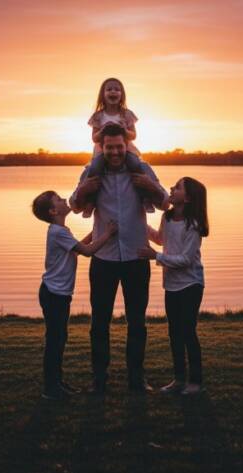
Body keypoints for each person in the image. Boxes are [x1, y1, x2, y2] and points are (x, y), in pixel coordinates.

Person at [70, 124, 169, 394]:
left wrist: (149, 185)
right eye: (109, 147)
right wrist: (81, 191)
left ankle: (137, 379)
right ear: (102, 147)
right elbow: (75, 204)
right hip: (103, 259)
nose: (115, 152)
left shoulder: (142, 169)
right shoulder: (91, 172)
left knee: (137, 322)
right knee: (99, 323)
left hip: (137, 257)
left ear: (127, 146)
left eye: (119, 147)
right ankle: (98, 379)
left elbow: (164, 202)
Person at [32, 190, 118, 400]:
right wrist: (108, 233)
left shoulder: (60, 230)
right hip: (54, 294)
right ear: (53, 211)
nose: (65, 200)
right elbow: (88, 252)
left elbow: (78, 248)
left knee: (59, 338)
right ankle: (51, 389)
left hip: (57, 293)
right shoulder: (58, 232)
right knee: (55, 340)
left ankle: (57, 383)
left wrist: (97, 233)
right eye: (59, 200)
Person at [138, 177, 209, 395]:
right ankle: (179, 380)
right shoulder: (167, 217)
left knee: (188, 332)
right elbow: (160, 239)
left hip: (190, 284)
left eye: (177, 187)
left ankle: (195, 382)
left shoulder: (193, 226)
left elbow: (186, 259)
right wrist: (141, 223)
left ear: (187, 198)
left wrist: (155, 256)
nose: (171, 188)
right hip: (171, 285)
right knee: (174, 333)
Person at [82, 77, 152, 217]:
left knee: (136, 165)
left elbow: (133, 135)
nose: (113, 92)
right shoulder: (98, 116)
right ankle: (90, 203)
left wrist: (124, 130)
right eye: (109, 89)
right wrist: (102, 130)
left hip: (125, 149)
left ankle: (145, 198)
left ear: (121, 94)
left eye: (116, 89)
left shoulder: (127, 114)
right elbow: (94, 138)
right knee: (94, 169)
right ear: (103, 94)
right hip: (103, 150)